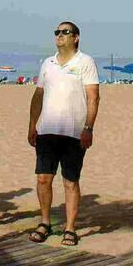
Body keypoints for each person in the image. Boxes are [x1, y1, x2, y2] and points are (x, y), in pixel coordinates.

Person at [27, 20, 100, 248]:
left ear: (76, 37)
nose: (59, 36)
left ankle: (70, 227)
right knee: (43, 178)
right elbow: (38, 95)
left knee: (70, 181)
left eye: (65, 32)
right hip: (47, 131)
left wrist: (88, 127)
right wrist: (32, 124)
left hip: (74, 132)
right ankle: (45, 222)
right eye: (57, 32)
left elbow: (93, 98)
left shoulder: (85, 62)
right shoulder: (47, 63)